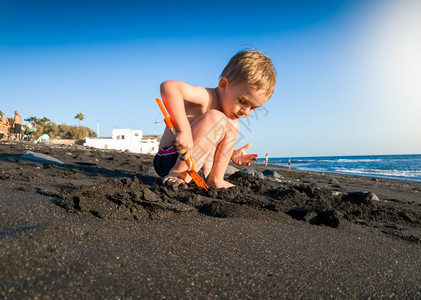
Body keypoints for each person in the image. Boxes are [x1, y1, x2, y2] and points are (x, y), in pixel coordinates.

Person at [154, 49, 276, 188]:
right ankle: (177, 174)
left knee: (233, 126)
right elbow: (169, 86)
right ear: (223, 85)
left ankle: (215, 179)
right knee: (216, 117)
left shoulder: (228, 119)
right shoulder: (206, 97)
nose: (245, 111)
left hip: (195, 165)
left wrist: (232, 154)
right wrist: (184, 131)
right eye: (242, 101)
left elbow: (207, 142)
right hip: (171, 156)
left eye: (253, 107)